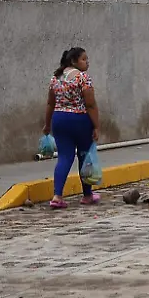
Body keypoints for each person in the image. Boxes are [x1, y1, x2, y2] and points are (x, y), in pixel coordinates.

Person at [42, 47, 101, 209]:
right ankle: (87, 195)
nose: (87, 62)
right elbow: (90, 104)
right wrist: (96, 125)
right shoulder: (83, 78)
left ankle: (57, 196)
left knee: (64, 157)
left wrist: (47, 125)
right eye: (83, 59)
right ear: (73, 61)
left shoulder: (56, 79)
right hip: (80, 120)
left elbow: (50, 103)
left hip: (59, 120)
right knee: (84, 156)